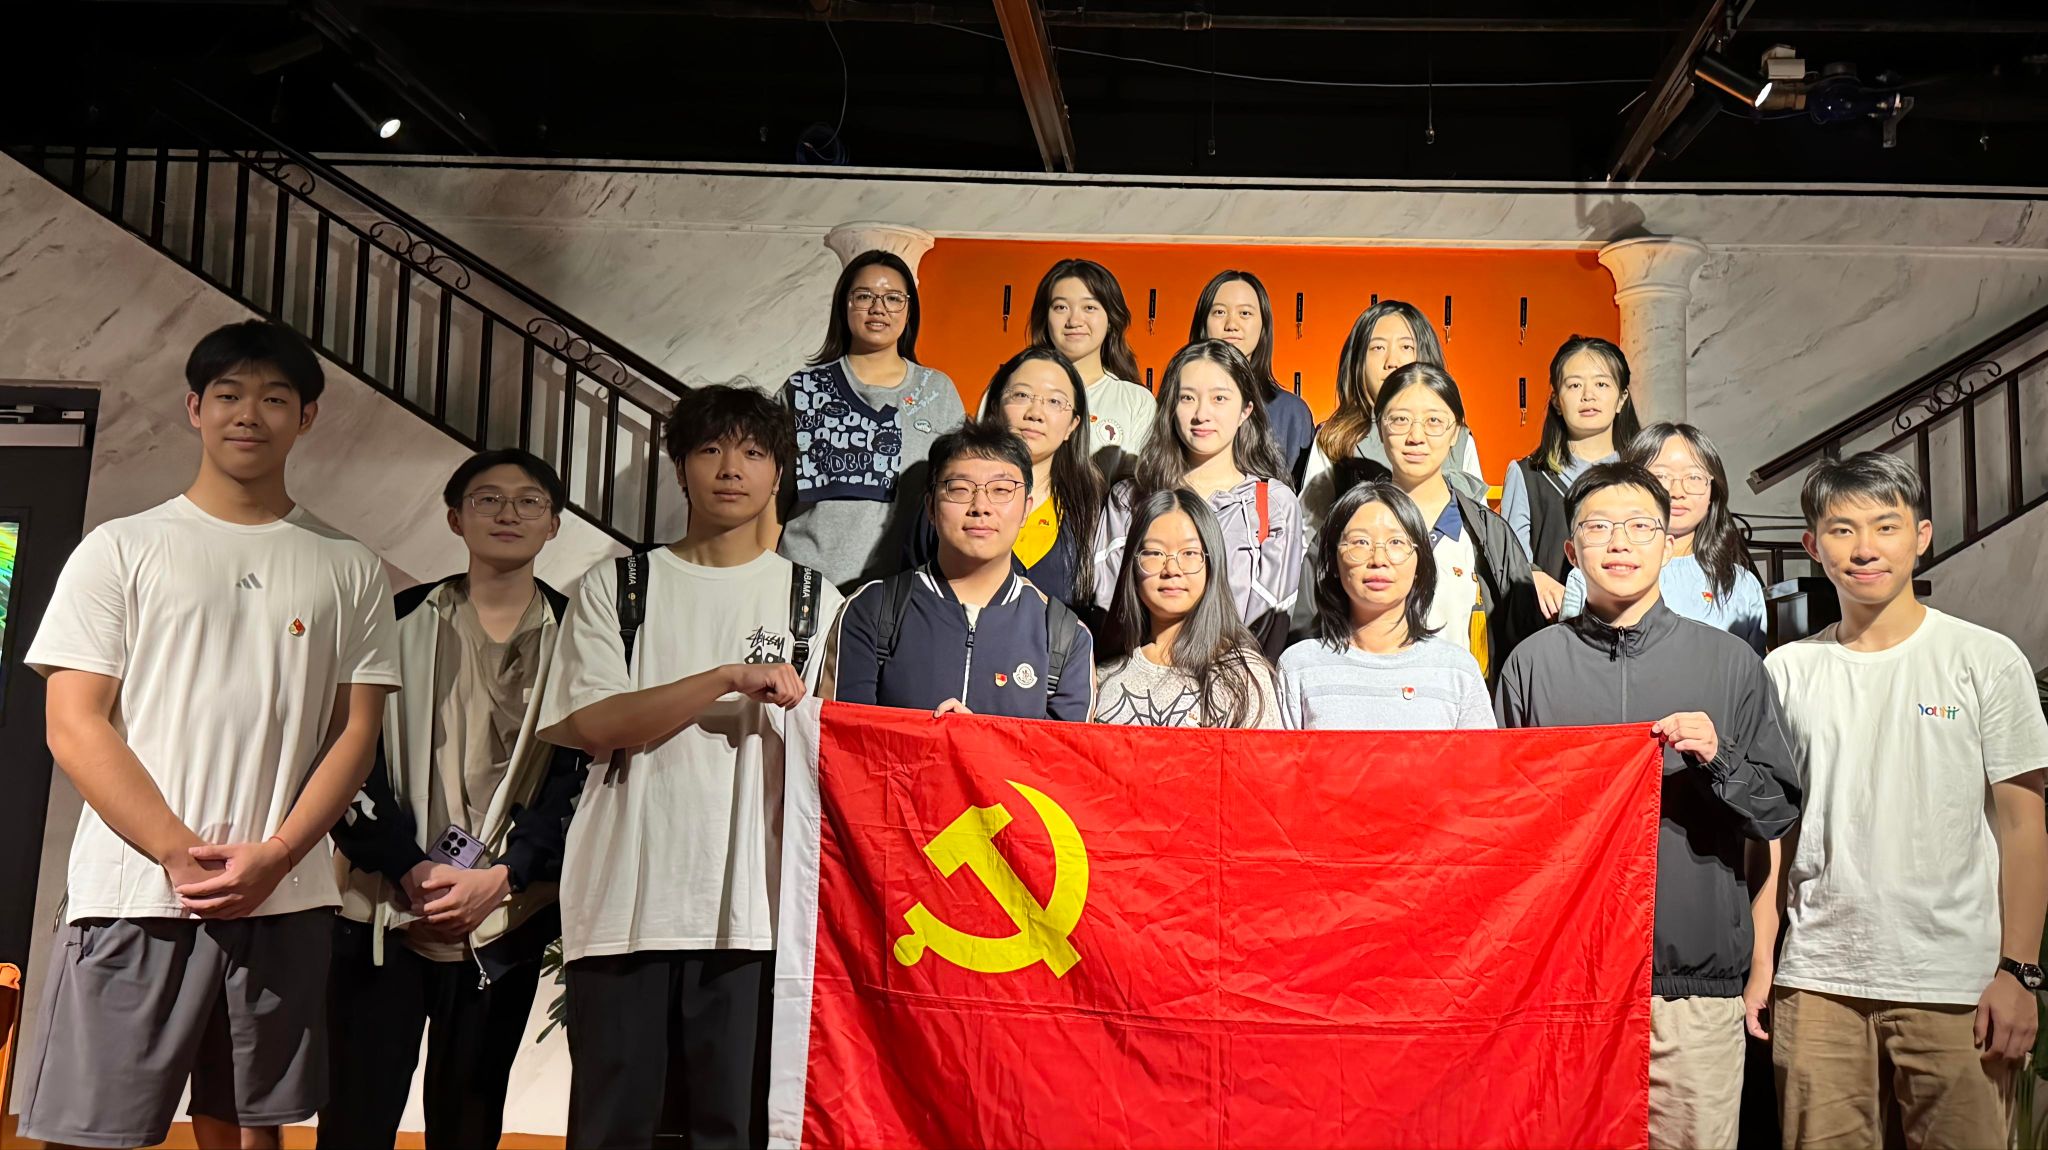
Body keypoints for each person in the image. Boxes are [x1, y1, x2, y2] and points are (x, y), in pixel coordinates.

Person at [17, 320, 400, 1150]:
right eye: (228, 394)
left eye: (274, 398)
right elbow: (74, 724)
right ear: (195, 408)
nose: (248, 414)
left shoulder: (349, 565)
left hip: (283, 896)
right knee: (92, 1130)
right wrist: (174, 850)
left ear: (307, 417)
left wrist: (280, 855)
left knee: (252, 1125)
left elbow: (355, 734)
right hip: (135, 895)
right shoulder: (121, 548)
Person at [537, 384, 847, 1150]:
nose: (730, 469)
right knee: (612, 1130)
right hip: (624, 905)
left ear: (779, 473)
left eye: (753, 452)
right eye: (710, 450)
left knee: (731, 1130)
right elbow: (596, 725)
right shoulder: (619, 587)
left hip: (755, 911)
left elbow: (843, 751)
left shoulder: (816, 602)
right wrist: (725, 678)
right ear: (680, 468)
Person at [1496, 461, 1801, 1150]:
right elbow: (1505, 830)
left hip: (1691, 989)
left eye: (1640, 526)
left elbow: (1776, 812)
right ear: (1570, 549)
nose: (1620, 542)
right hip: (1565, 986)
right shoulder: (1531, 667)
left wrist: (1719, 757)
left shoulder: (1729, 664)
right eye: (1599, 527)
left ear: (1669, 545)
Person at [1763, 452, 2047, 1150]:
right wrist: (1764, 961)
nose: (1865, 549)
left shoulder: (1985, 659)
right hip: (1818, 982)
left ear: (1920, 535)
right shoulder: (1787, 670)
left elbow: (2024, 827)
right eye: (1842, 530)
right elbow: (1776, 835)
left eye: (1885, 527)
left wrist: (2018, 972)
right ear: (1813, 546)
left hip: (1957, 985)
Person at [320, 449, 586, 1150]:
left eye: (529, 501)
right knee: (355, 1110)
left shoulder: (582, 639)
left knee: (470, 1114)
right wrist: (406, 865)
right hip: (384, 906)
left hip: (506, 914)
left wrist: (504, 877)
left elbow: (584, 775)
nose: (508, 514)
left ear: (554, 524)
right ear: (454, 518)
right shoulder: (396, 620)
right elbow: (346, 754)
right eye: (487, 499)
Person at [824, 418, 1095, 720]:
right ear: (930, 507)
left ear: (1025, 509)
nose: (981, 506)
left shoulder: (1065, 637)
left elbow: (1066, 750)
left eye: (1001, 490)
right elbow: (841, 739)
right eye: (960, 489)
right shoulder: (872, 610)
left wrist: (974, 739)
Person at [1091, 340, 1303, 662]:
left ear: (1246, 410)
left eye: (1219, 398)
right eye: (1187, 398)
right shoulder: (1130, 498)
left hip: (1235, 680)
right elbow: (1109, 607)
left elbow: (1271, 624)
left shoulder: (1273, 505)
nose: (1202, 414)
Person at [779, 249, 965, 590]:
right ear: (844, 304)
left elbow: (956, 492)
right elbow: (771, 498)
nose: (878, 308)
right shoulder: (803, 389)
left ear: (909, 310)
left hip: (907, 590)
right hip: (806, 585)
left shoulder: (937, 391)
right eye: (864, 296)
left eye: (893, 298)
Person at [1276, 482, 1493, 730]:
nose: (1379, 559)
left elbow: (1482, 756)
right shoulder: (1298, 667)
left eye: (1396, 542)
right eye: (1360, 542)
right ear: (1333, 561)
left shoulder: (1457, 671)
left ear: (1419, 562)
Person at [1370, 362, 1539, 680]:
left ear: (1456, 433)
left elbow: (1524, 650)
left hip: (1466, 707)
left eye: (1434, 421)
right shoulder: (1352, 527)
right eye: (1400, 420)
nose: (1416, 436)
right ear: (1380, 427)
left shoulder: (1489, 536)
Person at [903, 346, 1104, 613]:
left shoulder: (1093, 508)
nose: (1035, 413)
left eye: (1055, 401)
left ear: (1072, 425)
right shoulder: (952, 493)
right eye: (1021, 395)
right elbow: (912, 594)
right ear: (995, 407)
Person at [1561, 422, 1767, 654]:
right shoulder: (1596, 571)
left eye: (1694, 477)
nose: (1677, 492)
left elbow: (1751, 669)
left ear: (1713, 491)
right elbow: (1570, 657)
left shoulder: (1741, 585)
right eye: (1660, 476)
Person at [1094, 488, 1281, 729]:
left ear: (1212, 564)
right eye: (1154, 553)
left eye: (1190, 553)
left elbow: (1264, 754)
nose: (1171, 569)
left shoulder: (1244, 676)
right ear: (1133, 565)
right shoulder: (1102, 676)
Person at [1301, 299, 1486, 534]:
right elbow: (1308, 534)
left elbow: (1481, 529)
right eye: (1378, 348)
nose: (1392, 362)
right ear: (1358, 362)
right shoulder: (1335, 437)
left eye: (1406, 347)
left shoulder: (1458, 439)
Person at [1502, 335, 1638, 619]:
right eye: (1574, 385)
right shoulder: (1528, 475)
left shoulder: (1642, 474)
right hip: (1550, 628)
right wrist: (1533, 575)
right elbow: (1511, 557)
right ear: (1556, 400)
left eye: (1601, 384)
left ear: (1621, 399)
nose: (1588, 395)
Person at [1028, 257, 1155, 476]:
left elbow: (1140, 485)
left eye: (1089, 307)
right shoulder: (1011, 392)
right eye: (1060, 307)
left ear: (1110, 320)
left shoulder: (1137, 401)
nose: (1074, 320)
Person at [1190, 269, 1316, 483]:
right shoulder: (1177, 404)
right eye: (1219, 312)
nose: (1231, 325)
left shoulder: (1291, 413)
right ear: (1203, 323)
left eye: (1245, 313)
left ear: (1263, 326)